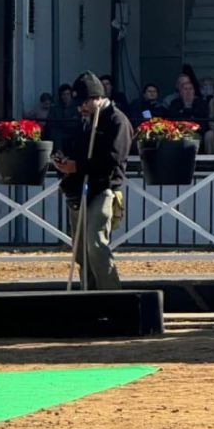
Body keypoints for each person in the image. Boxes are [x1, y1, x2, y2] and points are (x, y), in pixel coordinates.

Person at [53, 71, 132, 291]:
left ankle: (113, 297)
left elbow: (112, 160)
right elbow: (77, 151)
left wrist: (76, 166)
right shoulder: (85, 122)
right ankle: (90, 296)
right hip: (79, 190)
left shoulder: (117, 120)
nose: (81, 108)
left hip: (103, 189)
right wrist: (64, 163)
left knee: (95, 244)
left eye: (84, 102)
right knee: (81, 252)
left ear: (96, 97)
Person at [44, 83, 78, 151]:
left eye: (67, 94)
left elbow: (76, 123)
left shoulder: (77, 107)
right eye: (63, 94)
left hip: (73, 132)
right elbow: (50, 122)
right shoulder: (55, 108)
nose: (65, 96)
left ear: (71, 95)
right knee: (55, 132)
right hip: (58, 133)